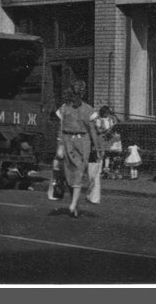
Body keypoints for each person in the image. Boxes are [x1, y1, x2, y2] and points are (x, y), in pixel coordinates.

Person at [57, 79, 100, 218]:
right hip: (71, 141)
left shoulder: (86, 109)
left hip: (80, 142)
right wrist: (59, 144)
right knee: (71, 174)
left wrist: (97, 148)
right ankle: (74, 203)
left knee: (77, 172)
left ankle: (73, 203)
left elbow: (92, 130)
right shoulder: (65, 108)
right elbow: (61, 127)